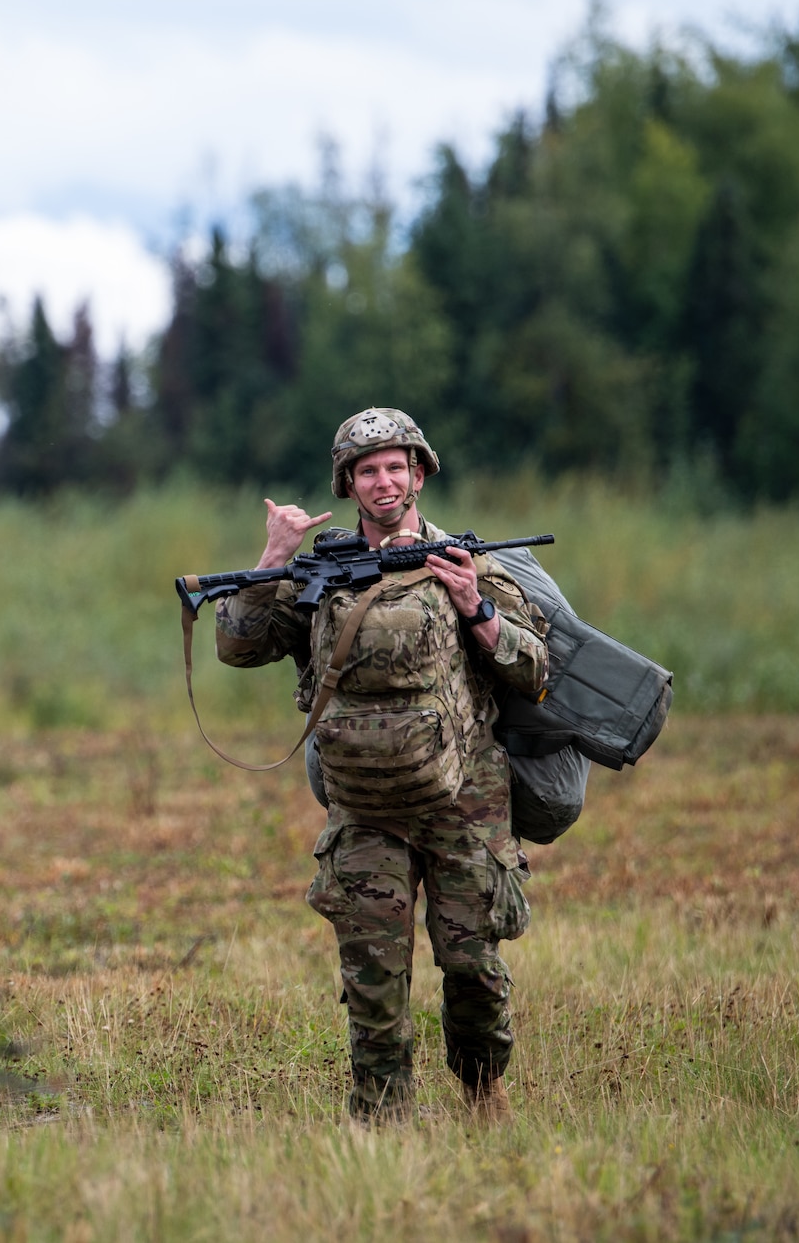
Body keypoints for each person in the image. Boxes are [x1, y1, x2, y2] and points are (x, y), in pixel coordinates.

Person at [215, 409, 549, 1124]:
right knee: (373, 982)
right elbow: (239, 647)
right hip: (365, 804)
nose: (384, 479)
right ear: (349, 483)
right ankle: (380, 1129)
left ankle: (484, 1093)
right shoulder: (320, 573)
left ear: (419, 474)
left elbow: (536, 668)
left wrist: (476, 606)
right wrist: (272, 557)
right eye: (368, 470)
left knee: (473, 971)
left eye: (396, 465)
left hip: (464, 798)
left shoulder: (466, 561)